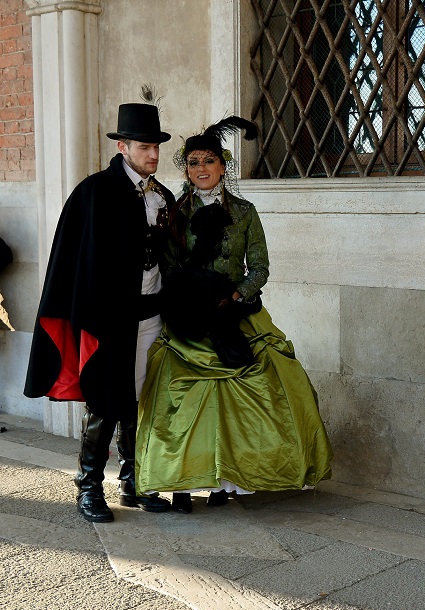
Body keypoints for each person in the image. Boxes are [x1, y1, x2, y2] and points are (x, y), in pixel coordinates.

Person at [134, 116, 333, 512]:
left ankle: (228, 482)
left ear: (223, 165)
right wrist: (187, 296)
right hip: (189, 315)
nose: (201, 169)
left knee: (253, 387)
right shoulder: (175, 210)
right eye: (193, 162)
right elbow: (169, 264)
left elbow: (259, 266)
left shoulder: (244, 211)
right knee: (183, 395)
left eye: (208, 161)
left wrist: (238, 293)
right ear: (186, 169)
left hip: (233, 310)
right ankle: (182, 485)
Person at [24, 102, 175, 522]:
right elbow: (74, 262)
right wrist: (90, 315)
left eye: (157, 147)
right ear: (123, 146)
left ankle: (133, 482)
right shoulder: (93, 193)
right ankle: (88, 486)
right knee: (106, 401)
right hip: (109, 319)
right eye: (145, 147)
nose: (154, 155)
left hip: (151, 315)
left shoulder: (161, 195)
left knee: (139, 399)